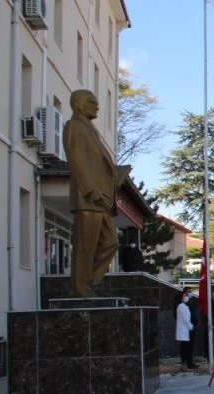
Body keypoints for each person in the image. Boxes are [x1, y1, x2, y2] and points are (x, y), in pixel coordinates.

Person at [63, 89, 130, 297]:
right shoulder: (74, 126)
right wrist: (91, 190)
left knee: (111, 242)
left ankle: (89, 280)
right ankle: (80, 288)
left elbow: (96, 164)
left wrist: (116, 174)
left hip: (102, 199)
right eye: (92, 102)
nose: (97, 106)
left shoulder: (90, 129)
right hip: (89, 198)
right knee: (85, 247)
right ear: (78, 105)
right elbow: (77, 161)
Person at [176, 292, 198, 371]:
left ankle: (186, 364)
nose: (186, 297)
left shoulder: (183, 306)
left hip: (185, 330)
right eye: (184, 296)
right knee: (185, 348)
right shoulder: (182, 306)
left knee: (186, 348)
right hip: (185, 330)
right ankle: (185, 365)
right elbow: (186, 319)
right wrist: (191, 327)